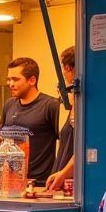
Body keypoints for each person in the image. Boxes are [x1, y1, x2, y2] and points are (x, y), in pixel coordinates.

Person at [0, 56, 62, 184]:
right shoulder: (9, 104)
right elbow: (0, 136)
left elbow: (66, 142)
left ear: (32, 80)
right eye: (9, 79)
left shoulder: (50, 105)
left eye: (15, 79)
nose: (10, 84)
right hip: (8, 181)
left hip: (38, 183)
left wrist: (61, 174)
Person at [46, 47, 77, 193]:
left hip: (72, 184)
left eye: (66, 67)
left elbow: (83, 150)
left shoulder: (88, 109)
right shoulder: (74, 106)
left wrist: (64, 174)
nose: (64, 71)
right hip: (61, 180)